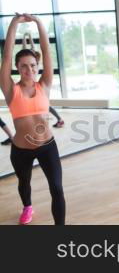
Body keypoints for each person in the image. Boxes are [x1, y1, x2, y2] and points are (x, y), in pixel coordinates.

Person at [0, 13, 65, 225]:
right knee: (24, 183)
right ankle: (27, 206)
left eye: (33, 65)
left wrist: (38, 23)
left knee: (56, 188)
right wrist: (13, 24)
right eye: (24, 66)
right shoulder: (11, 90)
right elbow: (6, 56)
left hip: (48, 146)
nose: (29, 69)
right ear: (17, 68)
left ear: (38, 67)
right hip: (21, 150)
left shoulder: (44, 85)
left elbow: (47, 51)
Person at [22, 32, 64, 128]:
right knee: (43, 105)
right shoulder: (35, 61)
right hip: (36, 86)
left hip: (37, 86)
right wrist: (27, 36)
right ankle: (58, 119)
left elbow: (27, 48)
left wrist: (26, 37)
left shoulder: (34, 61)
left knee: (45, 105)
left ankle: (59, 119)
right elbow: (29, 47)